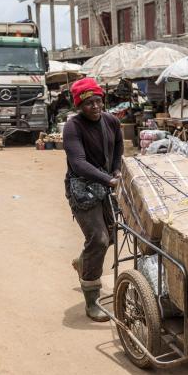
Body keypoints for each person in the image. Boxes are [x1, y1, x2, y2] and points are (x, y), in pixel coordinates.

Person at [63, 78, 124, 322]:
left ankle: (83, 263)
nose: (96, 106)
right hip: (83, 189)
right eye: (89, 103)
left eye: (98, 101)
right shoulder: (73, 127)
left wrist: (117, 169)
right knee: (98, 239)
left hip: (108, 183)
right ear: (80, 105)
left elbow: (118, 146)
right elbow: (78, 162)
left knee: (111, 235)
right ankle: (92, 301)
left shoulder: (111, 120)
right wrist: (108, 179)